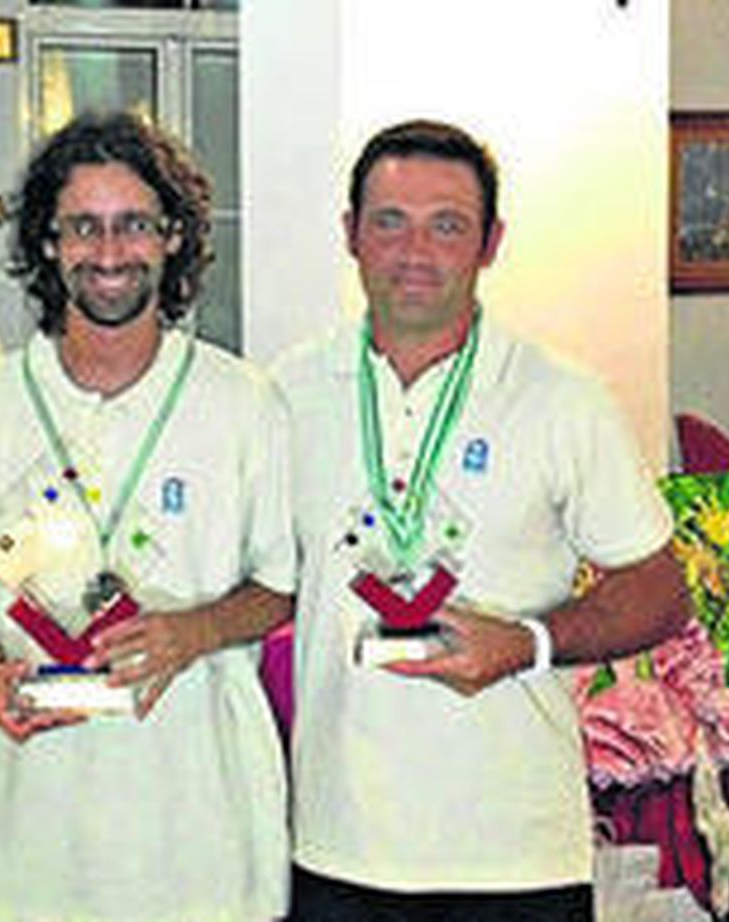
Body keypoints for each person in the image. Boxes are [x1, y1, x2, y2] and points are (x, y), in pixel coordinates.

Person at [273, 119, 691, 921]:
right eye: (390, 222)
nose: (415, 252)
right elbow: (261, 584)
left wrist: (528, 643)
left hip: (516, 857)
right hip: (336, 846)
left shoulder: (564, 399)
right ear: (351, 234)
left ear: (491, 243)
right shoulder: (287, 394)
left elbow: (661, 594)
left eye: (447, 226)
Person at [0, 111, 294, 922]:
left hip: (201, 821)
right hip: (27, 822)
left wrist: (191, 632)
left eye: (134, 224)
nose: (109, 251)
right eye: (83, 227)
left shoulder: (242, 403)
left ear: (173, 237)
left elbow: (280, 590)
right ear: (48, 242)